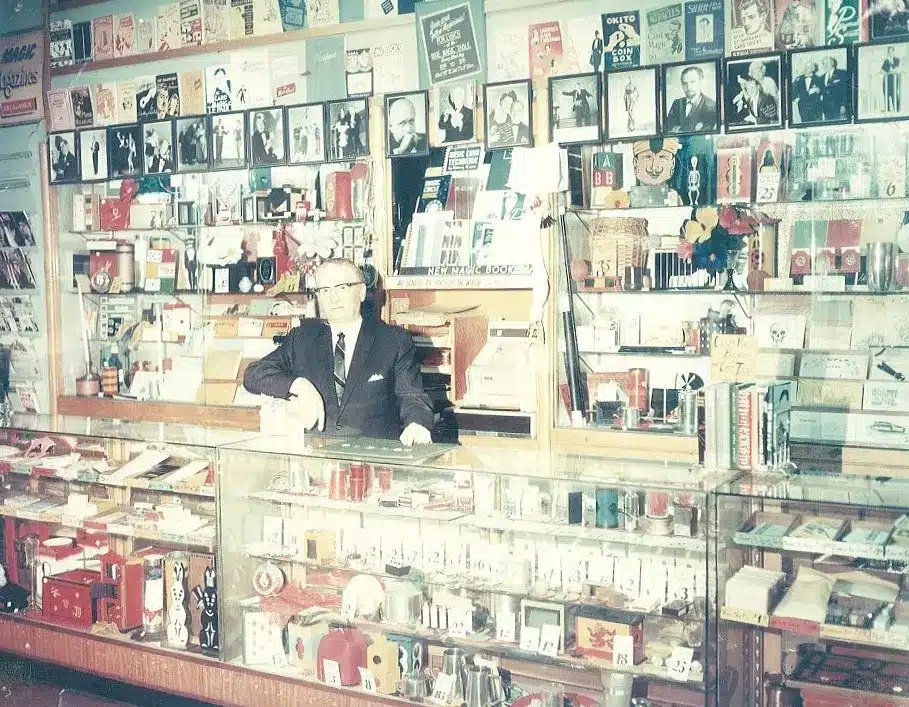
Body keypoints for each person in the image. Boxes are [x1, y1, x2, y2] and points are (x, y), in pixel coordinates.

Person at [243, 258, 434, 443]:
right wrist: (299, 385)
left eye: (341, 288)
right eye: (325, 290)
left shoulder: (394, 340)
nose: (332, 298)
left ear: (360, 292)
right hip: (318, 459)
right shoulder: (302, 339)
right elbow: (253, 374)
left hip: (374, 460)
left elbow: (412, 397)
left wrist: (417, 424)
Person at [665, 65, 718, 133]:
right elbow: (668, 127)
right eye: (684, 83)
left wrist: (678, 129)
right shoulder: (677, 103)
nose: (689, 87)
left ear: (701, 81)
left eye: (692, 82)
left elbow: (706, 130)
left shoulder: (712, 105)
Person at [819, 55, 849, 120]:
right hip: (826, 109)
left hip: (839, 107)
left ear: (833, 63)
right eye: (824, 63)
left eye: (828, 63)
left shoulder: (842, 73)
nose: (826, 65)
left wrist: (843, 105)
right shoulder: (821, 77)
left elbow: (846, 90)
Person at [882, 45, 902, 113]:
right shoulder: (886, 61)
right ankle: (887, 110)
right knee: (886, 94)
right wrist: (889, 70)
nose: (890, 53)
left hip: (894, 80)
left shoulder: (897, 59)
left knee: (894, 94)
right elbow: (882, 71)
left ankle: (897, 110)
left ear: (893, 52)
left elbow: (896, 70)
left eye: (891, 51)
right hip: (886, 80)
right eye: (889, 52)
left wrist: (890, 69)